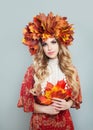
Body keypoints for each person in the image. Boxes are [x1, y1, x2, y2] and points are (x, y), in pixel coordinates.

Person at [17, 12, 82, 130]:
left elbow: (76, 98)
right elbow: (26, 102)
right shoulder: (33, 70)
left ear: (60, 43)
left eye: (53, 42)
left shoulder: (70, 69)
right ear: (41, 47)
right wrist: (45, 109)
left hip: (64, 122)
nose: (50, 48)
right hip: (40, 123)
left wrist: (68, 104)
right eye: (45, 44)